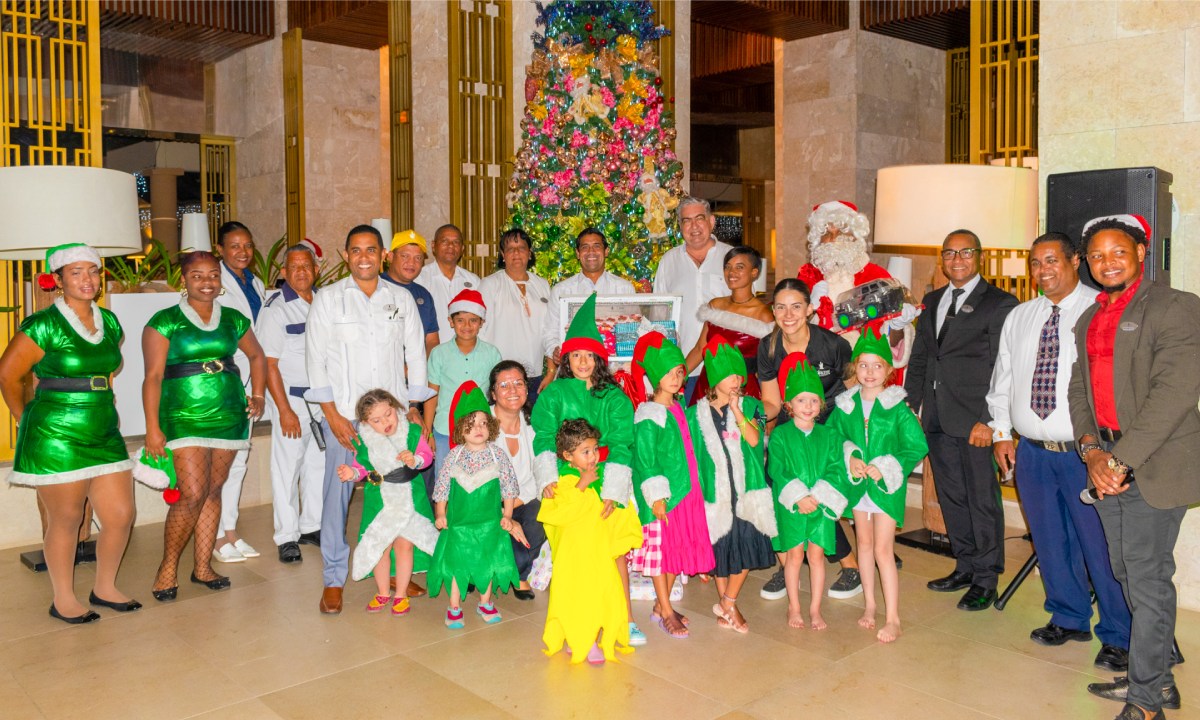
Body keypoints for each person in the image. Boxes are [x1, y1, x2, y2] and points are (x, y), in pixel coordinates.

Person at [1069, 214, 1200, 720]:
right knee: (1125, 573)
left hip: (1155, 464)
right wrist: (1092, 451)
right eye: (1098, 255)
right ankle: (1159, 681)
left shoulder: (1175, 307)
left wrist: (1119, 460)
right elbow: (1079, 392)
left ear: (1141, 253)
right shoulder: (1088, 318)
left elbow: (1174, 395)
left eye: (1118, 252)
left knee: (1146, 578)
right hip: (1107, 465)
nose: (1108, 263)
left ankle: (1146, 703)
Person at [985, 233, 1131, 669]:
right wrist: (1001, 432)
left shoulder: (1100, 309)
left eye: (1051, 260)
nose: (1042, 270)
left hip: (1084, 453)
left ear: (1074, 261)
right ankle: (1068, 616)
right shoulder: (1020, 316)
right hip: (1032, 451)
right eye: (1034, 262)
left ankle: (1119, 634)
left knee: (1100, 545)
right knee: (1049, 541)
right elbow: (1004, 377)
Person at [0, 243, 137, 623]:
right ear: (58, 280)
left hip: (102, 428)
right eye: (75, 272)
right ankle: (63, 599)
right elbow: (9, 374)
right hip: (56, 429)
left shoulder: (110, 322)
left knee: (121, 514)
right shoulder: (42, 324)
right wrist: (22, 417)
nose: (87, 279)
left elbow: (106, 372)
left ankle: (105, 587)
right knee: (67, 517)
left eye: (92, 271)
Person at [306, 224, 428, 614]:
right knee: (337, 497)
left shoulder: (401, 298)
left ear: (383, 256)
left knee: (396, 492)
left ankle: (395, 574)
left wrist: (414, 406)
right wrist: (331, 415)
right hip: (345, 417)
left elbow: (416, 356)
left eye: (371, 250)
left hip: (393, 420)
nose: (364, 257)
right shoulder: (328, 299)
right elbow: (315, 360)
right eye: (356, 250)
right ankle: (333, 578)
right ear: (346, 255)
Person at [142, 250, 267, 600]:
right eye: (197, 275)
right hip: (183, 415)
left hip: (228, 412)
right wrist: (153, 428)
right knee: (192, 492)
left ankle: (202, 567)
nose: (207, 282)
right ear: (184, 280)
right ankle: (167, 567)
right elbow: (152, 377)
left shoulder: (233, 318)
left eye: (213, 275)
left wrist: (257, 395)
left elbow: (257, 356)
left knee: (214, 490)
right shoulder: (164, 320)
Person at [905, 229, 1017, 611]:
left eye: (965, 252)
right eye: (950, 253)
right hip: (936, 418)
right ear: (942, 259)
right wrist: (911, 404)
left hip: (975, 422)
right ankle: (966, 565)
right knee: (952, 498)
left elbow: (1006, 366)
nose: (957, 260)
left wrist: (990, 420)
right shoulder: (933, 300)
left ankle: (987, 578)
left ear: (979, 257)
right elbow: (922, 356)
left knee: (981, 500)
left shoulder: (1000, 303)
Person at [532, 293, 642, 644]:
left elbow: (623, 444)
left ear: (599, 358)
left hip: (605, 477)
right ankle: (574, 619)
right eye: (575, 355)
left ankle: (622, 618)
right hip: (567, 482)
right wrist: (549, 478)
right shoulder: (554, 394)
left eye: (588, 355)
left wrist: (613, 491)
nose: (582, 362)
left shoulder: (614, 397)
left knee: (613, 553)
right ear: (566, 359)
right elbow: (544, 437)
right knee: (572, 558)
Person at [756, 278, 862, 601]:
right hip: (790, 428)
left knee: (820, 495)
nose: (788, 314)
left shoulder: (833, 345)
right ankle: (788, 563)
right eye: (781, 307)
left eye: (796, 306)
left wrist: (845, 436)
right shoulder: (768, 347)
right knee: (778, 489)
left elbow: (855, 386)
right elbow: (772, 403)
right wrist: (749, 415)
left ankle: (851, 567)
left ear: (810, 309)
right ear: (773, 311)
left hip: (828, 428)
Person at [828, 326, 928, 643]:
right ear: (855, 368)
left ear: (888, 370)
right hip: (859, 487)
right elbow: (833, 438)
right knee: (865, 547)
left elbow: (916, 445)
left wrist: (886, 466)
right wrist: (850, 455)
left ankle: (893, 617)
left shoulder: (896, 406)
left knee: (884, 550)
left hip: (886, 488)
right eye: (863, 365)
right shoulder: (845, 405)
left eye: (877, 366)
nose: (869, 372)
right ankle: (870, 605)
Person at [629, 332, 715, 639]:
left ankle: (659, 605)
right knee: (662, 553)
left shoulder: (678, 408)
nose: (676, 378)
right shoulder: (648, 415)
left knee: (673, 553)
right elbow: (646, 461)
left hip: (685, 493)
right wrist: (657, 497)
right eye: (668, 373)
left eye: (679, 372)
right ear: (655, 377)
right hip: (664, 498)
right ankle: (666, 610)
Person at [538, 418, 643, 665]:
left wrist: (614, 501)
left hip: (597, 553)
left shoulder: (599, 478)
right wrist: (580, 487)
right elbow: (557, 514)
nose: (593, 456)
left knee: (601, 595)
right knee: (579, 598)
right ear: (567, 456)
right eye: (585, 452)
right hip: (575, 557)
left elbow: (609, 509)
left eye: (595, 449)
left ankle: (591, 636)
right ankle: (584, 641)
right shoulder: (560, 483)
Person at [691, 336, 777, 634]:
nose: (736, 380)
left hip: (746, 491)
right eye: (729, 375)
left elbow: (754, 440)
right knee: (721, 552)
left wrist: (738, 410)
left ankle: (728, 601)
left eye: (739, 374)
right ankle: (727, 606)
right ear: (714, 379)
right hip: (713, 494)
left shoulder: (752, 405)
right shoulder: (694, 415)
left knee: (748, 546)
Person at [428, 381, 526, 628]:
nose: (478, 429)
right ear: (461, 429)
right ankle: (453, 606)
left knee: (488, 562)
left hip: (490, 524)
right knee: (456, 563)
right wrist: (441, 514)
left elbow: (508, 488)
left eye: (483, 423)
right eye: (471, 425)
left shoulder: (497, 455)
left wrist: (508, 515)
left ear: (491, 426)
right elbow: (441, 489)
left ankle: (485, 602)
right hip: (459, 524)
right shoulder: (454, 456)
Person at [336, 389, 436, 616]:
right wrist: (351, 472)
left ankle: (401, 594)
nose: (385, 422)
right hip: (380, 499)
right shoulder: (366, 440)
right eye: (377, 420)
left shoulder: (411, 430)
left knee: (405, 544)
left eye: (388, 414)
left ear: (395, 407)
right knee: (381, 546)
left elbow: (427, 455)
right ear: (366, 422)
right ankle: (382, 591)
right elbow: (363, 468)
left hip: (411, 496)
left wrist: (416, 459)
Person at [767, 352, 848, 631]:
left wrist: (821, 495)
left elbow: (837, 468)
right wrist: (799, 496)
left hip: (821, 507)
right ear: (789, 404)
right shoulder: (780, 436)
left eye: (814, 400)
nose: (808, 405)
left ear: (821, 403)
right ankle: (795, 605)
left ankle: (815, 608)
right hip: (792, 507)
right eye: (801, 400)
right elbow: (777, 469)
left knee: (816, 557)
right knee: (794, 556)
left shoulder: (829, 436)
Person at [257, 244, 324, 564]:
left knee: (318, 466)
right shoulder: (276, 309)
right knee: (287, 469)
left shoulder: (323, 302)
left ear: (316, 269)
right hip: (292, 401)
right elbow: (268, 364)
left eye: (307, 266)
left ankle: (311, 525)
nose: (301, 272)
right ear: (283, 272)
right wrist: (283, 410)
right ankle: (287, 536)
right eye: (294, 267)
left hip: (322, 400)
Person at [795, 200, 916, 375]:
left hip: (866, 373)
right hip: (819, 371)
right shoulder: (807, 277)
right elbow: (791, 331)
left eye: (843, 229)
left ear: (855, 235)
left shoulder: (877, 277)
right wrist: (809, 311)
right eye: (827, 231)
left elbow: (892, 342)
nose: (835, 238)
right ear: (817, 239)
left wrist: (899, 324)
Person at [214, 221, 267, 563]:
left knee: (239, 460)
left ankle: (230, 531)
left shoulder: (257, 283)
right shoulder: (212, 281)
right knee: (221, 461)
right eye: (234, 246)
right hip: (223, 380)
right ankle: (216, 536)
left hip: (252, 377)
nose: (242, 252)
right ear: (220, 250)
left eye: (247, 245)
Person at [653, 198, 733, 398]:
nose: (694, 226)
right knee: (687, 427)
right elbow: (658, 315)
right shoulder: (669, 261)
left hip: (726, 366)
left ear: (711, 221)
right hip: (682, 369)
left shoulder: (732, 257)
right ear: (680, 226)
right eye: (687, 220)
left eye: (700, 219)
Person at [541, 228, 635, 390]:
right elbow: (550, 332)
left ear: (606, 251)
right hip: (574, 373)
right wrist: (555, 349)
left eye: (596, 246)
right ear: (578, 253)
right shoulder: (562, 290)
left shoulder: (624, 289)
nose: (591, 251)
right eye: (585, 247)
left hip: (613, 373)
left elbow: (632, 331)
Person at [684, 245, 774, 405]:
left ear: (754, 272)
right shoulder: (715, 305)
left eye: (740, 267)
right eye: (727, 267)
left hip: (743, 391)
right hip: (707, 386)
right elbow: (699, 349)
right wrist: (678, 378)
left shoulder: (763, 315)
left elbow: (767, 366)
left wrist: (769, 409)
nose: (731, 273)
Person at [424, 289, 502, 472]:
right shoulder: (439, 353)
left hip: (481, 431)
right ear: (451, 322)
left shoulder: (492, 354)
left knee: (480, 477)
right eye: (460, 320)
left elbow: (497, 393)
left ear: (481, 322)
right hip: (444, 430)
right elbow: (432, 393)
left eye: (473, 320)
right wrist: (428, 432)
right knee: (445, 478)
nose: (467, 325)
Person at [487, 360, 545, 601]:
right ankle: (479, 569)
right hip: (487, 502)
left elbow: (539, 473)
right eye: (504, 385)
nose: (512, 390)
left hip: (525, 498)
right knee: (493, 533)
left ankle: (518, 572)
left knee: (541, 516)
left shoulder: (535, 424)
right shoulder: (481, 424)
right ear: (493, 393)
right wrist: (503, 514)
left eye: (519, 383)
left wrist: (512, 510)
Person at [480, 228, 552, 405]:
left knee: (531, 427)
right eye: (510, 248)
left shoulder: (542, 285)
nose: (516, 253)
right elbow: (479, 330)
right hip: (500, 375)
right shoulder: (489, 284)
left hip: (534, 375)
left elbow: (551, 329)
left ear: (529, 253)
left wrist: (551, 371)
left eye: (521, 247)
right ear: (503, 255)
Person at [417, 224, 481, 344]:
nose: (451, 246)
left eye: (456, 242)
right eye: (445, 241)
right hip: (431, 354)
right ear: (433, 246)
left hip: (468, 354)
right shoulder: (420, 279)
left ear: (462, 248)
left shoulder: (474, 281)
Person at [383, 229, 440, 357]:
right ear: (390, 257)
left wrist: (423, 366)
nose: (411, 263)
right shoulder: (376, 288)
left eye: (418, 258)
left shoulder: (424, 295)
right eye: (405, 256)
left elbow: (432, 339)